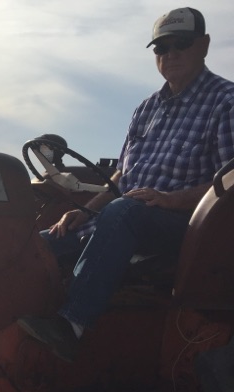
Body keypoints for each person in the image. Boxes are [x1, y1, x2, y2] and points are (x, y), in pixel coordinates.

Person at [18, 7, 234, 362]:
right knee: (35, 245)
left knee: (125, 212)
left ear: (204, 45)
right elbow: (122, 176)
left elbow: (229, 187)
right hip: (124, 217)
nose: (170, 54)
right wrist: (87, 211)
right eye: (161, 47)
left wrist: (171, 200)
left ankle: (71, 325)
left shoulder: (226, 102)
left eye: (181, 43)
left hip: (184, 227)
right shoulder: (146, 109)